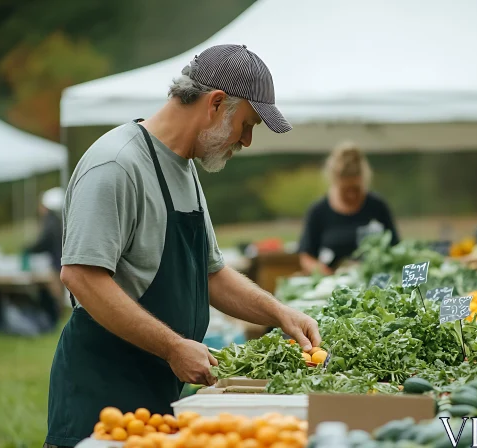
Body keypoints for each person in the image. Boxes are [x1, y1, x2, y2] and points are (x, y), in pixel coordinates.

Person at [45, 44, 320, 448]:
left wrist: (279, 314)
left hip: (157, 390)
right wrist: (173, 346)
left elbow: (211, 274)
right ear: (215, 103)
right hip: (102, 394)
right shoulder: (116, 164)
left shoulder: (184, 168)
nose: (245, 141)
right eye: (247, 124)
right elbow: (82, 277)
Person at [298, 141, 400, 275]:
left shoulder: (377, 206)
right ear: (334, 182)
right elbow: (306, 256)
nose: (351, 195)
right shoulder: (318, 211)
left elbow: (395, 248)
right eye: (345, 190)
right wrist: (325, 274)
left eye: (356, 189)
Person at [25, 187, 65, 328]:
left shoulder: (50, 221)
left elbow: (43, 241)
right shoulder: (58, 219)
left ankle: (57, 316)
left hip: (56, 261)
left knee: (56, 291)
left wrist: (29, 249)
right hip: (60, 259)